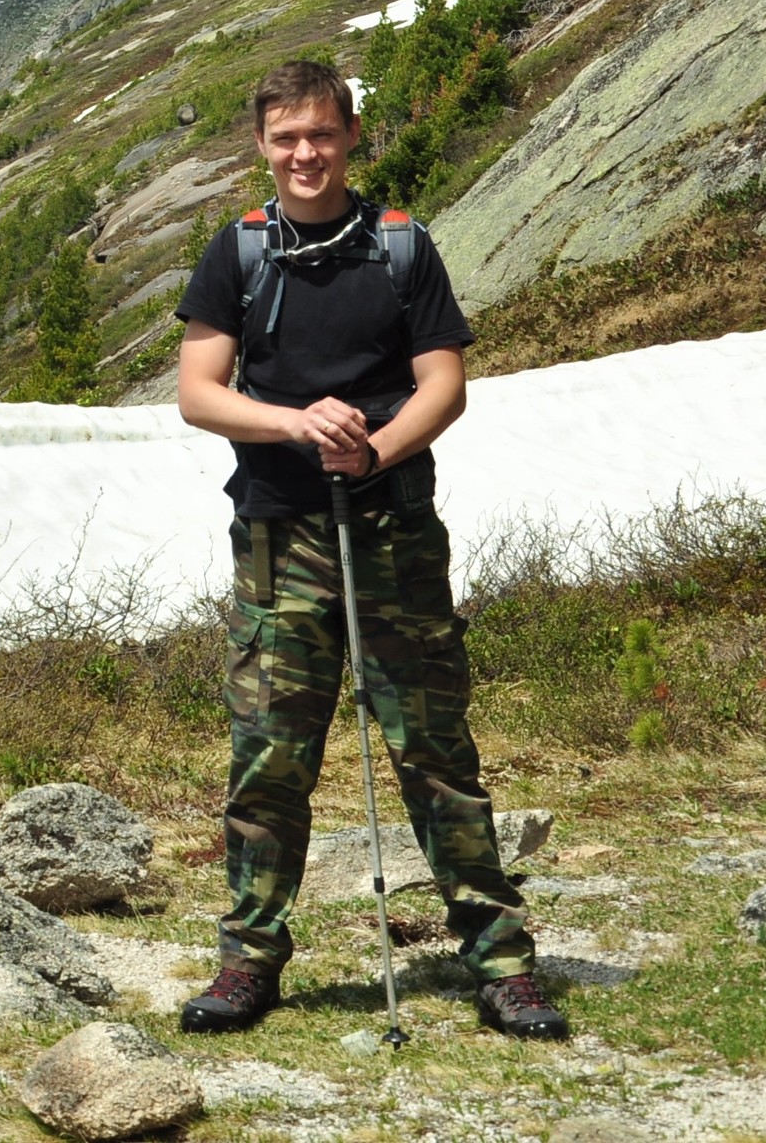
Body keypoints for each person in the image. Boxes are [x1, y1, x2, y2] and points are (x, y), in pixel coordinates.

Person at [168, 59, 566, 1041]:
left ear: (350, 136)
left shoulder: (400, 248)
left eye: (321, 134)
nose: (304, 154)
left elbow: (444, 383)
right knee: (269, 754)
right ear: (261, 147)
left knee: (434, 747)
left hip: (391, 525)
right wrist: (301, 426)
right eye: (284, 138)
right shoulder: (238, 253)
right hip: (277, 529)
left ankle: (502, 961)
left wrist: (374, 450)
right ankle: (248, 962)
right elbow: (198, 391)